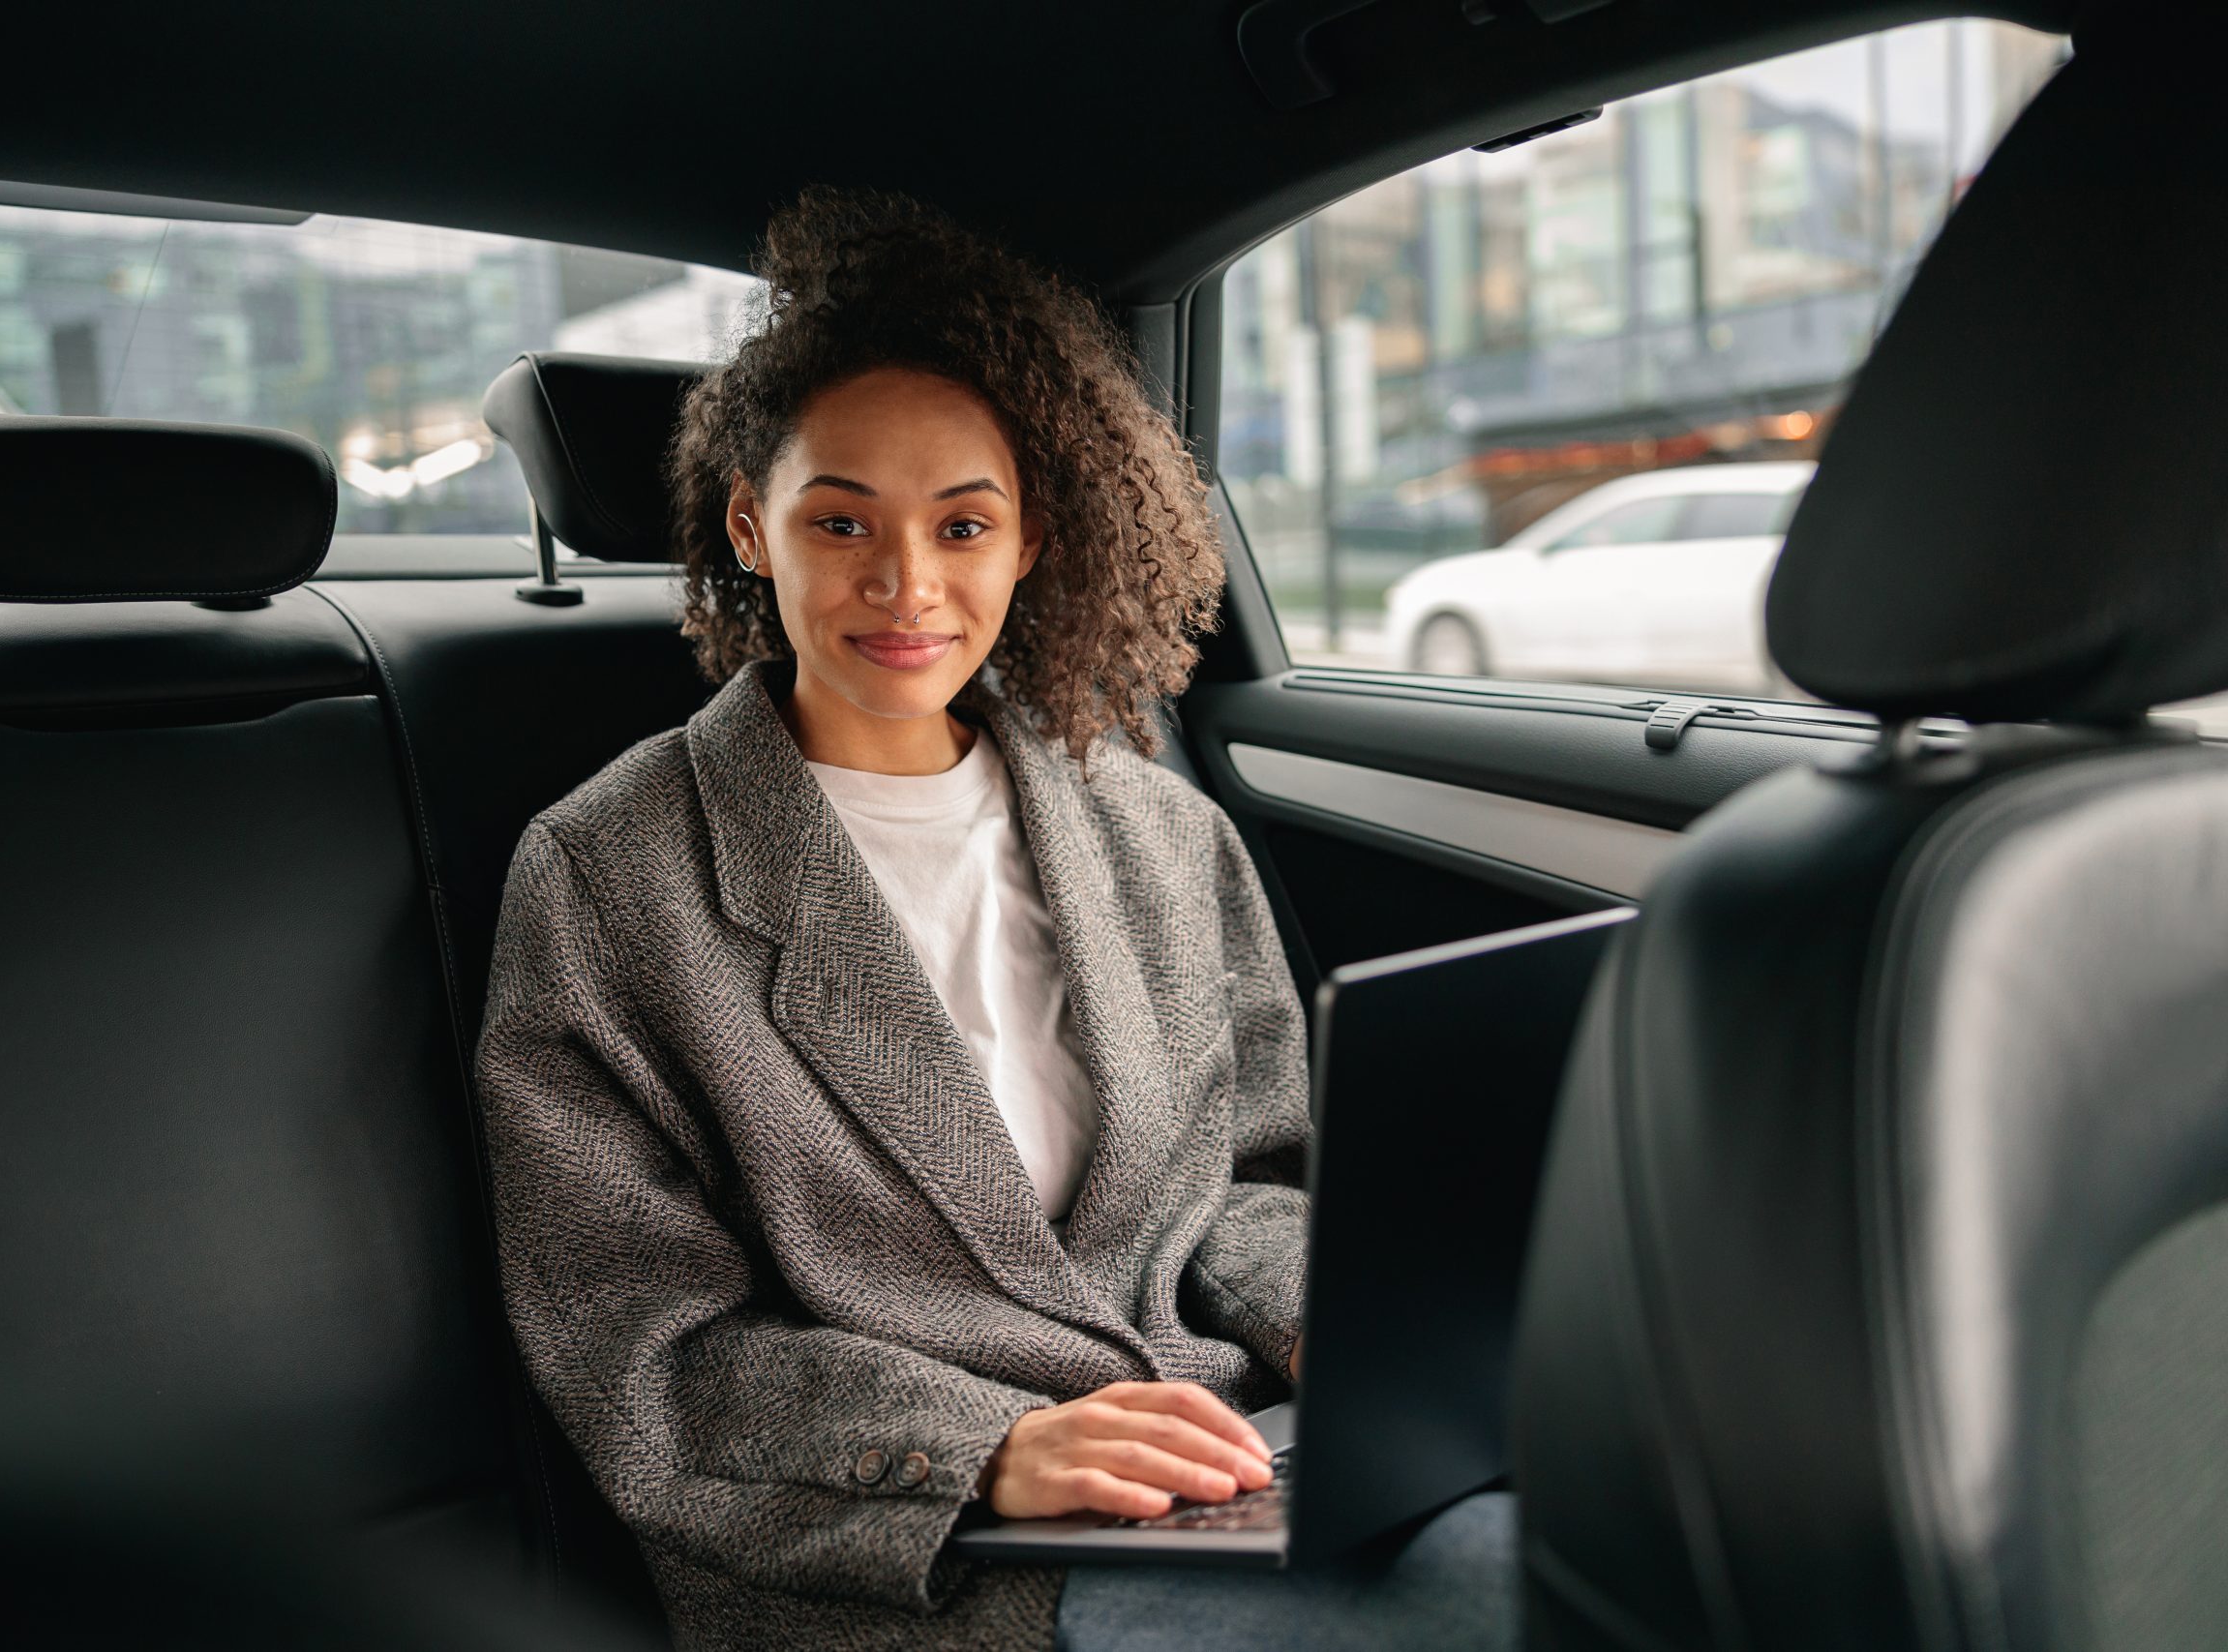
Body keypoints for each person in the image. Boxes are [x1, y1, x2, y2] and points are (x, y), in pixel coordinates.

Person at [473, 187, 1511, 1652]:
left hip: (1240, 1453)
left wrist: (1329, 1332)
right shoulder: (605, 876)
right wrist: (983, 1453)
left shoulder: (1159, 830)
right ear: (748, 529)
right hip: (922, 1553)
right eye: (843, 521)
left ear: (1030, 543)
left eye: (965, 524)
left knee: (1604, 1541)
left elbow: (1253, 1175)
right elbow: (634, 1336)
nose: (909, 585)